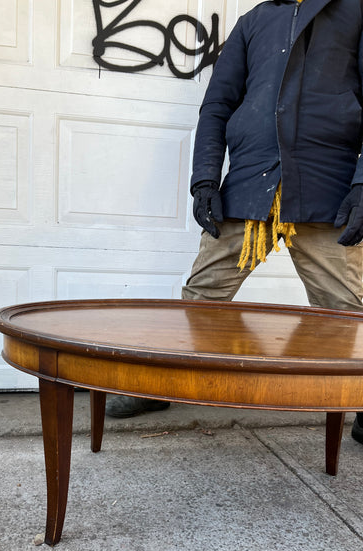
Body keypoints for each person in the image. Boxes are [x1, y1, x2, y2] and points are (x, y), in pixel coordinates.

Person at [106, 0, 363, 444]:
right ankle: (161, 382)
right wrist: (205, 178)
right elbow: (217, 105)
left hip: (326, 189)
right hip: (250, 185)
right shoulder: (255, 20)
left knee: (348, 310)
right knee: (202, 295)